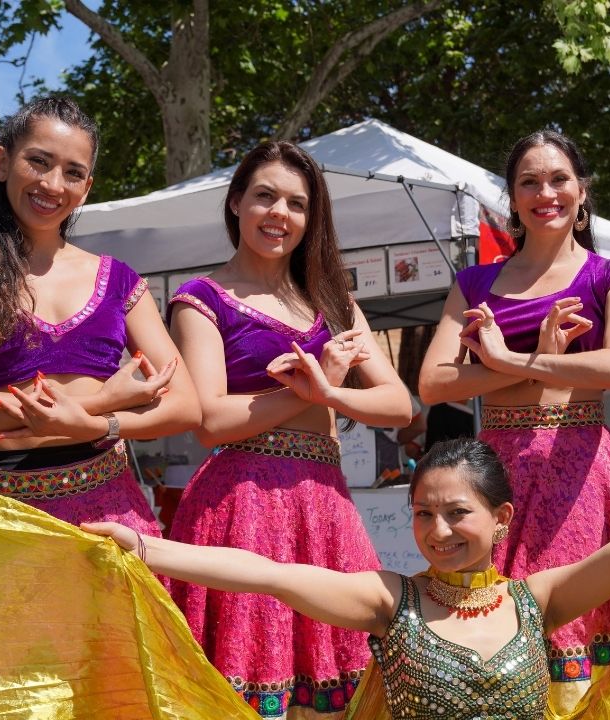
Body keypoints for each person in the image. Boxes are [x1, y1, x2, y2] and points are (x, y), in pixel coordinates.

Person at [82, 436, 610, 720]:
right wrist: (145, 548)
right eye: (422, 513)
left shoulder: (538, 599)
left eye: (457, 513)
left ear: (501, 519)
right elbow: (268, 574)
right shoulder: (390, 601)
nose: (437, 531)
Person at [166, 141, 412, 718]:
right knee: (246, 682)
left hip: (326, 508)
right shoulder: (200, 300)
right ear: (235, 204)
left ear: (311, 218)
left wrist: (326, 392)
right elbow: (209, 420)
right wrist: (299, 392)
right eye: (265, 196)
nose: (280, 213)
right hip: (240, 504)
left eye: (297, 204)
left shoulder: (333, 298)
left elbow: (398, 404)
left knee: (340, 680)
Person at [418, 130, 610, 711]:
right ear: (512, 196)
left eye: (558, 180)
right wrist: (523, 368)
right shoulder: (476, 282)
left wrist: (507, 360)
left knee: (573, 617)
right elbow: (433, 383)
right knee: (493, 609)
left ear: (582, 191)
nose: (545, 192)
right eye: (529, 182)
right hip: (492, 470)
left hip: (577, 462)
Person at [0, 96, 200, 538]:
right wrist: (104, 400)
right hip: (7, 521)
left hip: (114, 516)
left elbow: (185, 406)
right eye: (38, 161)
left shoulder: (120, 281)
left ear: (87, 187)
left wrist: (103, 426)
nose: (52, 183)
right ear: (2, 162)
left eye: (73, 172)